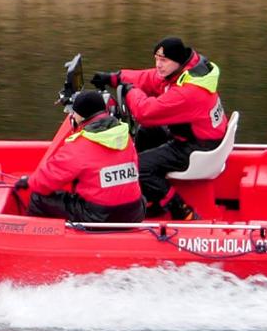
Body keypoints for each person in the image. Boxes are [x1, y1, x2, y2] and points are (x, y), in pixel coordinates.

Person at [89, 37, 225, 220]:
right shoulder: (186, 73)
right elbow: (150, 78)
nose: (158, 65)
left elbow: (145, 112)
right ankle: (149, 196)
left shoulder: (188, 91)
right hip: (202, 135)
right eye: (156, 58)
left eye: (163, 60)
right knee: (146, 133)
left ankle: (182, 211)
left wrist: (129, 91)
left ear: (177, 61)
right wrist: (115, 78)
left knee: (139, 167)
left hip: (198, 146)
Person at [16, 91, 148, 224]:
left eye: (74, 112)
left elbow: (47, 180)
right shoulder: (125, 136)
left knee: (37, 197)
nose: (72, 115)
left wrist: (29, 182)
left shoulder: (79, 145)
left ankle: (35, 236)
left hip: (99, 216)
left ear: (82, 115)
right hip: (135, 212)